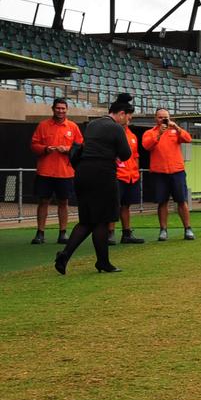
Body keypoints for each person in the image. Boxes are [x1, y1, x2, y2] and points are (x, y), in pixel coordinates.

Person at [54, 94, 133, 275]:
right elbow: (126, 154)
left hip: (83, 173)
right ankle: (102, 262)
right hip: (102, 174)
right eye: (128, 117)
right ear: (121, 114)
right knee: (103, 220)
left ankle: (67, 256)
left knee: (89, 220)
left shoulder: (93, 124)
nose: (128, 121)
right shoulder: (116, 128)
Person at [29, 98, 83, 245]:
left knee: (63, 202)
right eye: (58, 108)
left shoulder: (73, 127)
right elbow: (34, 145)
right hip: (45, 171)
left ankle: (63, 233)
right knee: (43, 201)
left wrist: (68, 150)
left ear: (67, 110)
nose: (60, 111)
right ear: (53, 109)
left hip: (65, 172)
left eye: (63, 108)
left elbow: (81, 148)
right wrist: (45, 149)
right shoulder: (43, 125)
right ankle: (40, 233)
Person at [141, 108, 195, 241]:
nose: (163, 120)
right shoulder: (150, 133)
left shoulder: (175, 131)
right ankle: (163, 230)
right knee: (162, 201)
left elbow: (188, 139)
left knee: (181, 201)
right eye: (160, 117)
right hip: (159, 172)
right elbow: (147, 146)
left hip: (177, 171)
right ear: (155, 118)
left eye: (166, 117)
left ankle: (188, 229)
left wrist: (176, 127)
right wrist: (159, 133)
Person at [110, 105, 145, 244]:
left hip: (131, 176)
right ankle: (110, 233)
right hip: (118, 175)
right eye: (128, 115)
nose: (130, 118)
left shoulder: (132, 135)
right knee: (113, 205)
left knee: (126, 205)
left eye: (131, 115)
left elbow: (135, 154)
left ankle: (126, 233)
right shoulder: (112, 132)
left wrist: (136, 169)